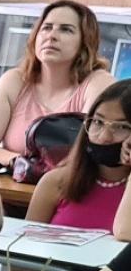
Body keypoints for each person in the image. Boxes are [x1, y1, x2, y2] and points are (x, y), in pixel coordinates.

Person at [0, 0, 113, 170]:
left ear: (85, 42)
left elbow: (91, 155)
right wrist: (22, 163)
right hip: (12, 191)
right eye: (46, 28)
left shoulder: (99, 82)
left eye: (66, 30)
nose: (51, 36)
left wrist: (36, 167)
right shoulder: (14, 80)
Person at [25, 79, 131, 229]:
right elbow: (24, 245)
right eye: (98, 122)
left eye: (121, 127)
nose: (104, 136)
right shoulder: (56, 181)